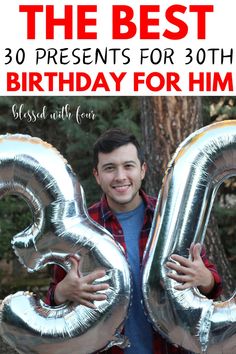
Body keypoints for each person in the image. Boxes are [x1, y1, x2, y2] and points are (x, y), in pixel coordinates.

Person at [46, 128, 222, 354]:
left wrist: (204, 278)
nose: (120, 176)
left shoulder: (171, 218)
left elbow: (212, 287)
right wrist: (62, 292)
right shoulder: (79, 229)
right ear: (97, 175)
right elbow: (54, 300)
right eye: (110, 168)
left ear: (142, 170)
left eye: (128, 166)